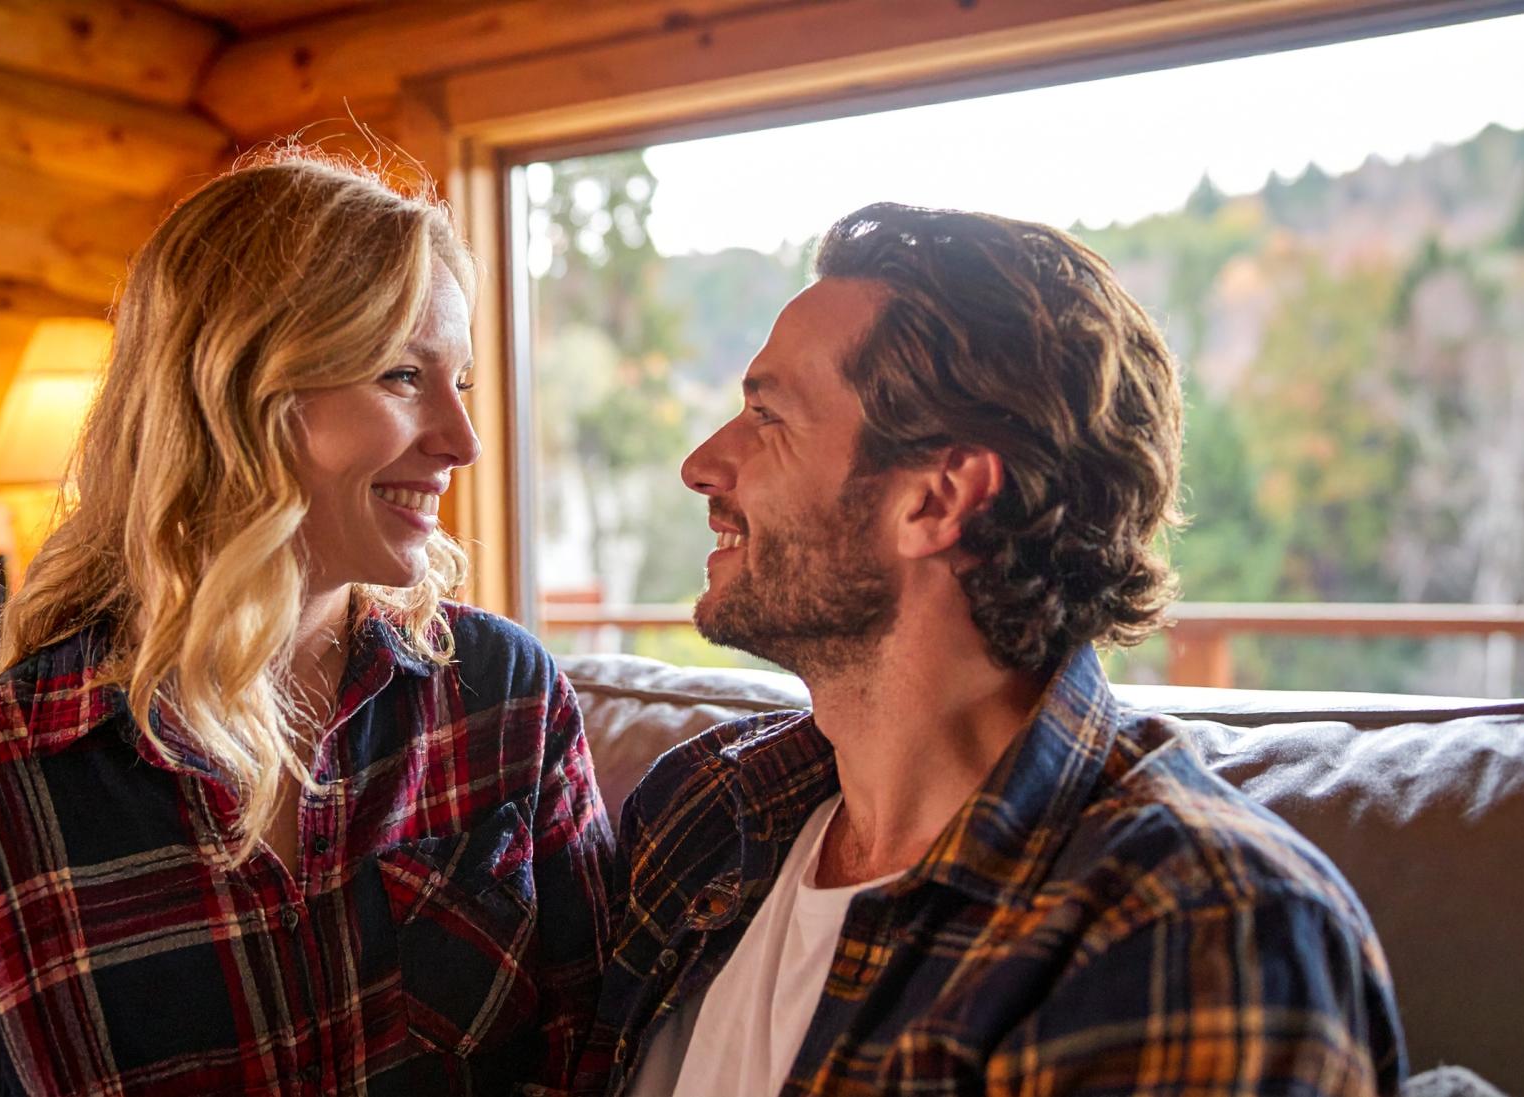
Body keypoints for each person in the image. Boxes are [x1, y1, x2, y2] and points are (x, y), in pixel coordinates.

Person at [576, 202, 1405, 1096]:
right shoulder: (706, 813)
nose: (703, 462)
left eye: (768, 416)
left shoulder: (1198, 928)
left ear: (936, 499)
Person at [0, 152, 612, 1096]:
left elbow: (597, 1057)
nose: (463, 440)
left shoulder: (506, 701)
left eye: (461, 381)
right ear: (235, 394)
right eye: (404, 374)